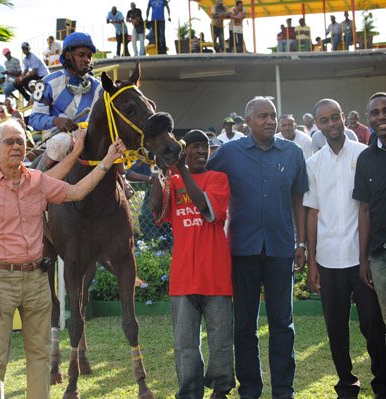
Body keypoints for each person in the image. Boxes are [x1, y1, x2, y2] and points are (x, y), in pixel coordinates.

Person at [0, 119, 126, 399]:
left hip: (37, 280)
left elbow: (77, 191)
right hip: (0, 279)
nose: (16, 146)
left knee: (40, 356)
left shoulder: (38, 182)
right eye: (9, 142)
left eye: (20, 141)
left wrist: (106, 162)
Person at [207, 97, 308, 399]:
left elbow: (299, 199)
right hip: (243, 251)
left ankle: (283, 391)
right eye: (263, 116)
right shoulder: (228, 153)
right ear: (247, 122)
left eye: (273, 116)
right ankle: (250, 389)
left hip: (280, 250)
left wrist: (300, 242)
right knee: (244, 327)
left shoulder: (292, 153)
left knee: (282, 324)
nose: (269, 121)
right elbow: (204, 177)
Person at [304, 98, 386, 399]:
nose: (331, 124)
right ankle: (346, 383)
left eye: (335, 117)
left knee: (373, 324)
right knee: (336, 328)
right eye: (324, 120)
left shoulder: (365, 155)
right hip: (328, 258)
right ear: (318, 125)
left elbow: (369, 207)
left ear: (344, 118)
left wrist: (367, 257)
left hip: (361, 257)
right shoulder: (313, 164)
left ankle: (382, 382)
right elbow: (312, 213)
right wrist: (312, 261)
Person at [150, 128, 235, 399]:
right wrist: (161, 170)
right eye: (195, 146)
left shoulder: (218, 178)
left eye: (205, 146)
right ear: (185, 150)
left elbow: (207, 210)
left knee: (221, 342)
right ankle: (190, 392)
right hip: (183, 277)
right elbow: (156, 210)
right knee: (184, 344)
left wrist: (181, 170)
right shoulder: (171, 180)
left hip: (216, 276)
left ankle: (220, 391)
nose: (201, 151)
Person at [29, 32, 102, 171]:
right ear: (68, 55)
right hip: (58, 141)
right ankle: (37, 183)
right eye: (81, 55)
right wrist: (56, 121)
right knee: (62, 141)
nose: (86, 59)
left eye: (89, 56)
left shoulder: (99, 87)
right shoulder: (46, 83)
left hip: (91, 141)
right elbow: (34, 120)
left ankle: (123, 179)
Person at [354, 92, 386, 324]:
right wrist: (364, 258)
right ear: (369, 118)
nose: (381, 116)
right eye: (375, 112)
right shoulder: (365, 159)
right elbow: (364, 210)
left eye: (385, 111)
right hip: (380, 254)